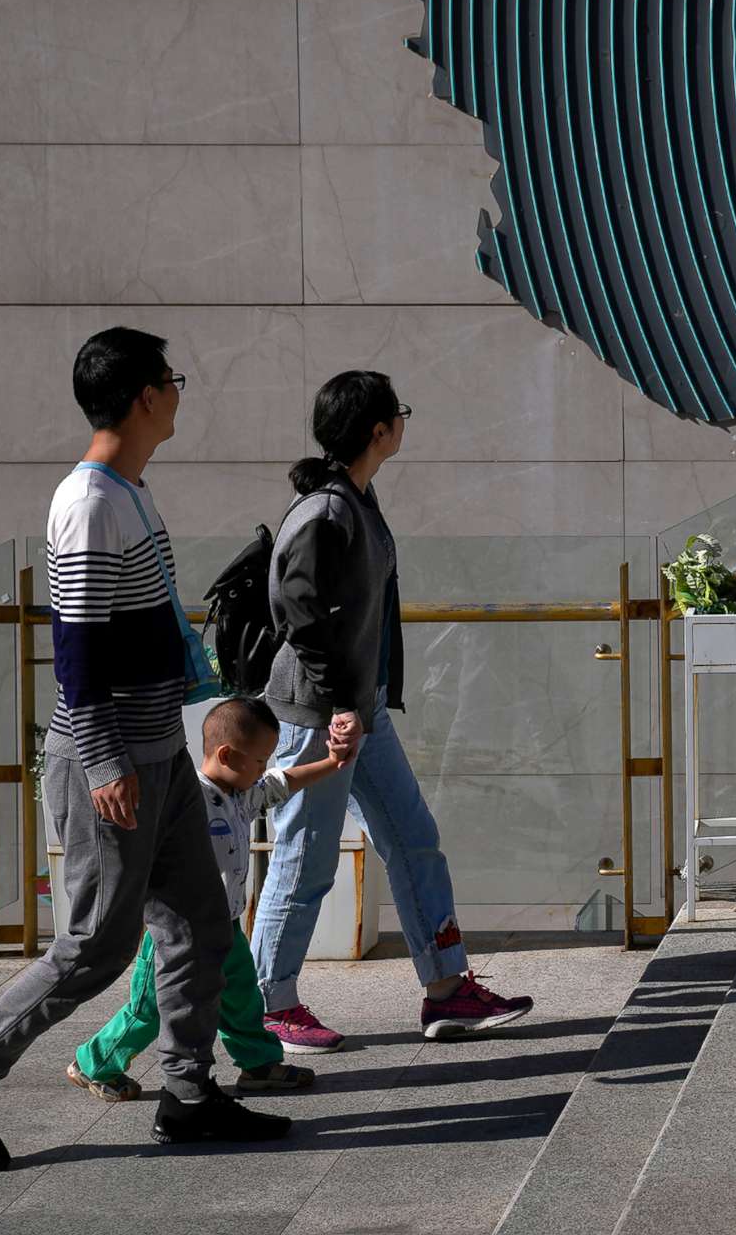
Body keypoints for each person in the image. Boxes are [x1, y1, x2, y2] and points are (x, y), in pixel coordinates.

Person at [0, 328, 289, 1171]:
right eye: (173, 379)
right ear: (144, 397)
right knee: (93, 947)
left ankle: (189, 1094)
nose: (180, 391)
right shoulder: (90, 502)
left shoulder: (129, 490)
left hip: (159, 753)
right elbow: (75, 649)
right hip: (112, 762)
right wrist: (106, 761)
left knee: (199, 922)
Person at [253, 370, 533, 1049]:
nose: (404, 423)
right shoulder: (326, 510)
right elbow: (298, 613)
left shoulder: (355, 497)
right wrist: (341, 705)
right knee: (305, 854)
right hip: (321, 713)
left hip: (358, 708)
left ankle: (445, 989)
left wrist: (360, 702)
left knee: (412, 837)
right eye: (398, 414)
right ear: (379, 431)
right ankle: (267, 1003)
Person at [67, 696, 351, 1101]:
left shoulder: (243, 794)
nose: (262, 770)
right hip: (174, 930)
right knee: (151, 1006)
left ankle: (258, 1064)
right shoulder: (187, 799)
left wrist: (331, 764)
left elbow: (283, 782)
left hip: (226, 925)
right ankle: (95, 1062)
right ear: (227, 755)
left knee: (242, 999)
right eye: (258, 761)